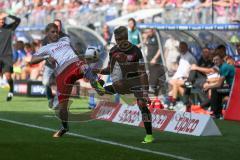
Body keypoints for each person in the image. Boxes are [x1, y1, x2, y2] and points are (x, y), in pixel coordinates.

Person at [30, 23, 105, 138]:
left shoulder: (65, 39)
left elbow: (74, 50)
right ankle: (64, 127)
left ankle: (96, 84)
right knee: (62, 108)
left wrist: (82, 56)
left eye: (56, 31)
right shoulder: (45, 48)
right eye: (52, 32)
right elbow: (32, 60)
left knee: (82, 65)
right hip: (62, 74)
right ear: (47, 34)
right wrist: (46, 57)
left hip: (74, 64)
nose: (56, 33)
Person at [94, 26, 154, 143]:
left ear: (126, 37)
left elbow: (142, 72)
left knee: (142, 104)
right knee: (103, 90)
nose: (118, 42)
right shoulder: (113, 51)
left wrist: (145, 92)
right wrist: (100, 71)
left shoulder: (136, 51)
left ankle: (149, 135)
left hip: (137, 80)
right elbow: (110, 69)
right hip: (123, 82)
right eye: (117, 39)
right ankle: (100, 87)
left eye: (120, 39)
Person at [42, 19, 69, 108]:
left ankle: (56, 102)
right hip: (49, 65)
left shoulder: (65, 37)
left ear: (61, 26)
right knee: (45, 82)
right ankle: (50, 99)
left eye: (59, 25)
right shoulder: (46, 38)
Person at [203, 53, 235, 119]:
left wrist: (208, 86)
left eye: (217, 59)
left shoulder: (224, 67)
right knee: (216, 90)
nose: (215, 61)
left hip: (234, 89)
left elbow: (219, 84)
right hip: (232, 87)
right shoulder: (222, 67)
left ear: (222, 60)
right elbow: (221, 84)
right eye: (214, 60)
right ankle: (215, 112)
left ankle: (215, 113)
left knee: (215, 90)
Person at [0, 12, 21, 101]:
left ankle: (11, 91)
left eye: (3, 19)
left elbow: (18, 20)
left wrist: (8, 15)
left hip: (7, 56)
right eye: (0, 20)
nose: (2, 21)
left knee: (8, 76)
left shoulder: (9, 28)